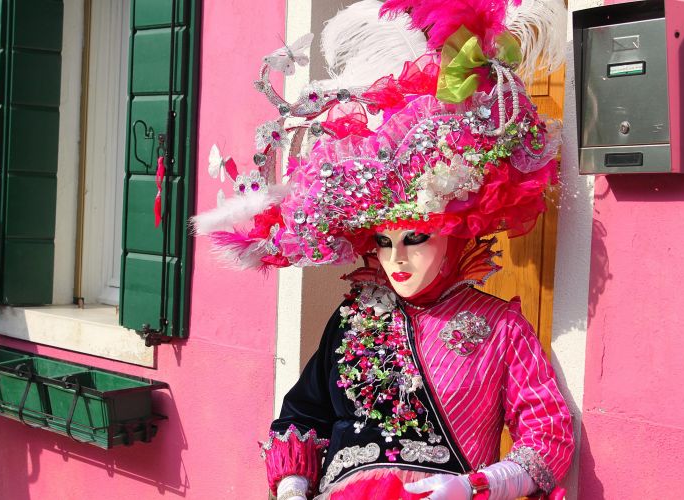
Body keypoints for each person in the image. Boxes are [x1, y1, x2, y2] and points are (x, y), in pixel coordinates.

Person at [192, 1, 574, 498]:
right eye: (384, 241)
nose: (396, 259)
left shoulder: (502, 328)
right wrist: (291, 487)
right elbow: (304, 414)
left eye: (415, 239)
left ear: (456, 233)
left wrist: (482, 486)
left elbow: (546, 433)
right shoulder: (354, 319)